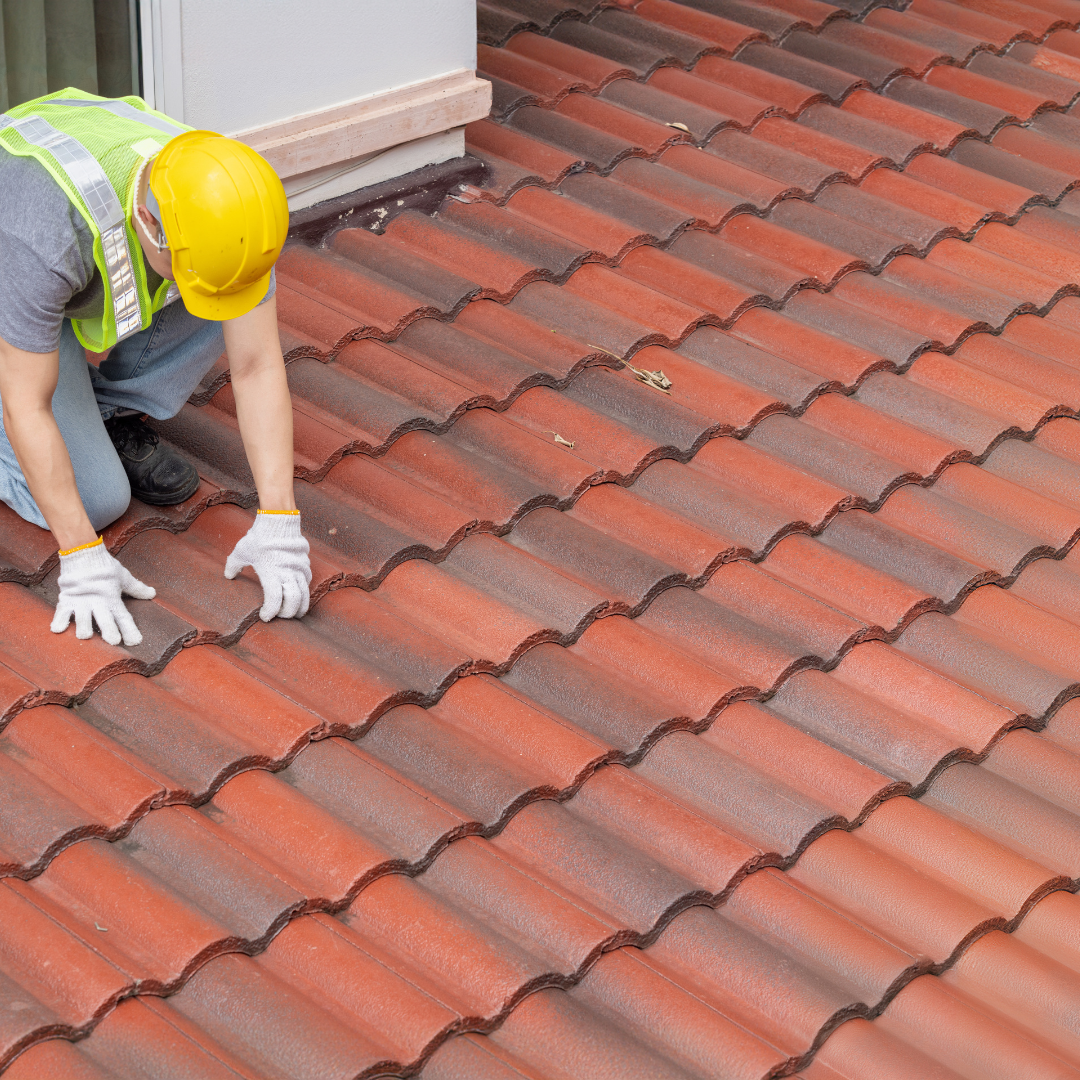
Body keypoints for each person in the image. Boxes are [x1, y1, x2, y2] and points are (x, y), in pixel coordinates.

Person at [0, 88, 310, 647]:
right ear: (148, 223)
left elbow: (258, 362)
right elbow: (28, 404)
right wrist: (80, 555)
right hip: (12, 263)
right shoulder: (42, 234)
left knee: (216, 291)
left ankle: (107, 414)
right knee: (96, 502)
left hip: (55, 265)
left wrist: (280, 520)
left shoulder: (223, 201)